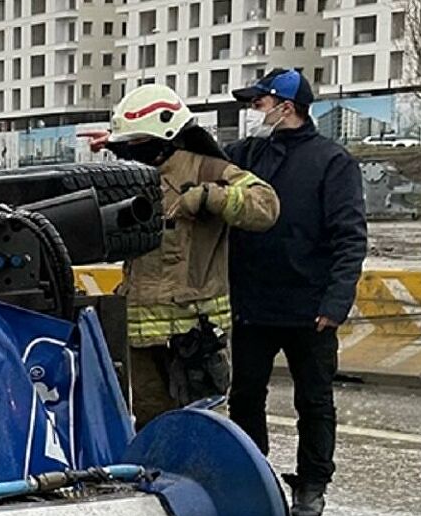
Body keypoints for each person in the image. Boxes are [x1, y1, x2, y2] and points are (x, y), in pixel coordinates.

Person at [85, 83, 279, 427]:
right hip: (140, 336)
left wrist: (211, 198)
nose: (131, 151)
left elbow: (266, 206)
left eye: (137, 142)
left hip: (192, 337)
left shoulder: (207, 170)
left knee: (198, 427)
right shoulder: (133, 176)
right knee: (150, 425)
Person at [225, 68, 367, 516]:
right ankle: (254, 477)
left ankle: (312, 486)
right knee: (245, 397)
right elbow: (197, 157)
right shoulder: (247, 155)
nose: (252, 113)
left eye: (258, 104)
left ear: (286, 107)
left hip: (310, 308)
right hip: (252, 303)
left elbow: (350, 237)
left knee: (314, 400)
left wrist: (335, 302)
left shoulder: (332, 162)